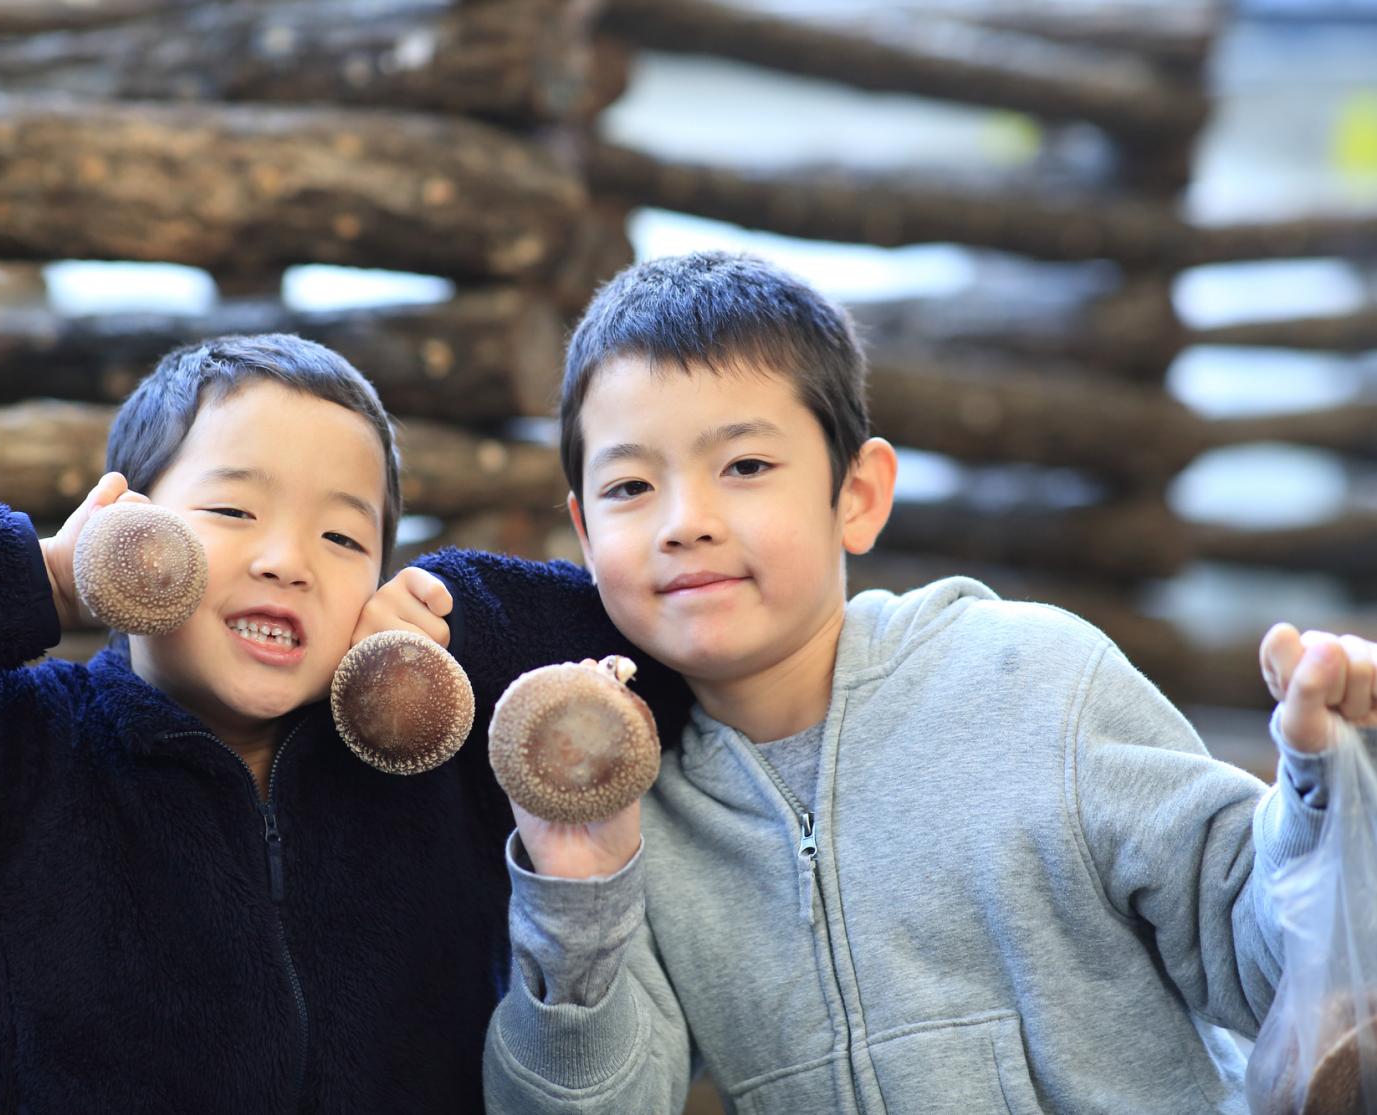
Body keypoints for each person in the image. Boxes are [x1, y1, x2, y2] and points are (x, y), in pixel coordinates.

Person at [424, 251, 1377, 1113]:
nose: (684, 520)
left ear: (857, 495)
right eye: (630, 486)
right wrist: (579, 899)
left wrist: (1325, 786)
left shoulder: (1034, 677)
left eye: (745, 464)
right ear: (584, 536)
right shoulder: (636, 812)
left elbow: (1267, 966)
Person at [0, 333, 690, 1114]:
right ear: (132, 526)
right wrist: (47, 570)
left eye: (343, 536)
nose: (286, 559)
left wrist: (448, 609)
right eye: (230, 510)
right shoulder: (6, 765)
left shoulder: (435, 754)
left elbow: (666, 631)